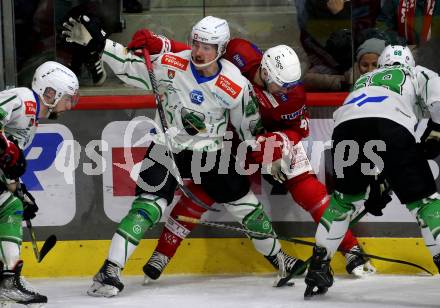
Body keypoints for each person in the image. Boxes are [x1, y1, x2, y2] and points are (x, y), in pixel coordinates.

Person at [62, 15, 307, 297]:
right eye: (197, 43)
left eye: (208, 46)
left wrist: (270, 154)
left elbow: (250, 129)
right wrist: (101, 44)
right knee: (147, 207)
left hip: (212, 152)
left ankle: (280, 260)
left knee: (246, 206)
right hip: (167, 148)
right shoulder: (171, 64)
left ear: (222, 48)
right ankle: (110, 269)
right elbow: (129, 66)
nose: (200, 51)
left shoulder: (235, 85)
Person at [124, 29, 375, 282]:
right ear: (265, 72)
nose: (285, 91)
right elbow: (200, 55)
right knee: (206, 189)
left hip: (271, 139)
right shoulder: (238, 52)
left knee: (306, 186)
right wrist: (164, 44)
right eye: (281, 85)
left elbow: (299, 129)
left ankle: (351, 250)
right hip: (232, 136)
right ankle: (161, 255)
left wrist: (279, 142)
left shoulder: (293, 94)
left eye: (289, 86)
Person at [303, 45, 440, 298]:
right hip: (390, 126)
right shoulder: (417, 72)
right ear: (408, 62)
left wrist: (374, 178)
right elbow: (438, 103)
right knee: (425, 203)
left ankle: (319, 266)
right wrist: (436, 132)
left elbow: (364, 124)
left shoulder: (365, 79)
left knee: (343, 201)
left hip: (345, 130)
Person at [0, 61, 79, 306]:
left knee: (11, 205)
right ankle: (8, 283)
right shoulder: (25, 99)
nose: (70, 104)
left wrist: (17, 188)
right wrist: (7, 148)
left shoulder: (32, 118)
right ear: (50, 93)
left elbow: (8, 162)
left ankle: (8, 281)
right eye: (67, 98)